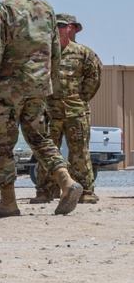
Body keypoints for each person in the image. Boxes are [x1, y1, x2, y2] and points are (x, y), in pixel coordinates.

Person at [0, 0, 82, 218]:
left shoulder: (3, 10)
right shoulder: (46, 9)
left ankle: (8, 202)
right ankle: (67, 182)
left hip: (7, 89)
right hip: (38, 88)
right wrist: (50, 84)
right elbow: (56, 51)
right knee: (39, 138)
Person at [31, 13, 102, 204]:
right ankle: (45, 191)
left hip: (75, 112)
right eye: (55, 25)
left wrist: (80, 98)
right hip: (49, 112)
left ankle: (86, 191)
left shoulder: (83, 53)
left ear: (71, 28)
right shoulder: (44, 53)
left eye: (61, 25)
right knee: (47, 151)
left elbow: (94, 78)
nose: (57, 29)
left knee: (79, 152)